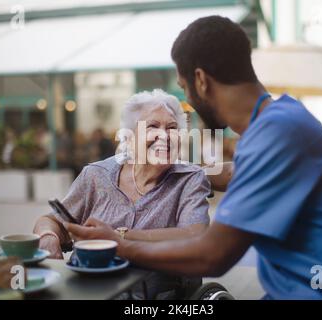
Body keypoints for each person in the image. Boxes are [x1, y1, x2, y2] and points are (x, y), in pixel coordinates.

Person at [65, 16, 322, 299]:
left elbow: (212, 255)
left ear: (201, 80)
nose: (189, 104)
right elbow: (247, 172)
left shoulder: (275, 134)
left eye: (184, 89)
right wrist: (189, 172)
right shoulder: (282, 118)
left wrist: (117, 243)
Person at [33, 89, 210, 298]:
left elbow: (195, 235)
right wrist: (48, 237)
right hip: (87, 290)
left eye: (172, 128)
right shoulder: (96, 175)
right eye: (152, 126)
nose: (164, 136)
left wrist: (118, 237)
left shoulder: (190, 179)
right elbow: (51, 219)